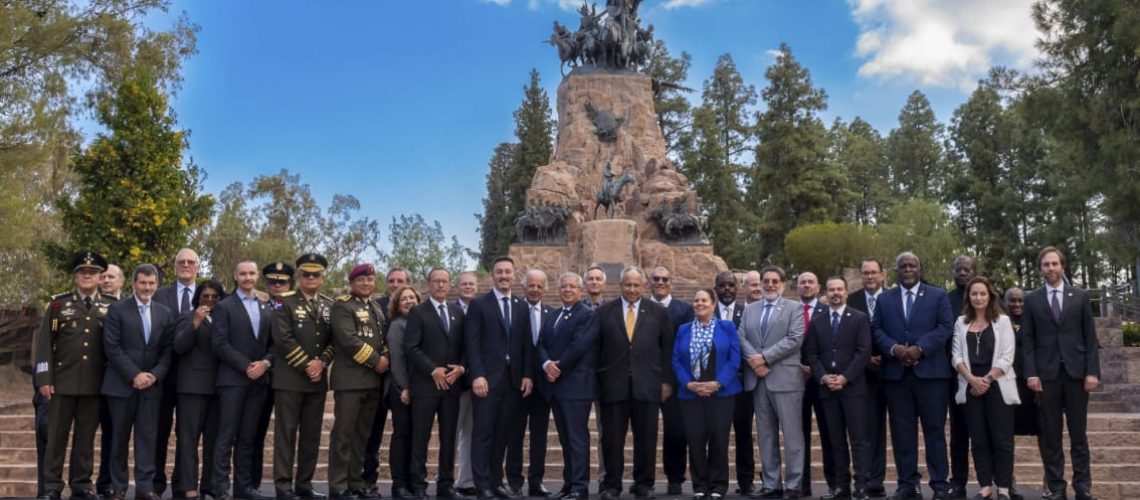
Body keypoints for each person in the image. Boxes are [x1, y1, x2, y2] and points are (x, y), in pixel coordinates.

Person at [871, 252, 954, 500]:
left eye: (912, 265)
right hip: (897, 377)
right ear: (896, 271)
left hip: (931, 376)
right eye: (903, 266)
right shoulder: (885, 298)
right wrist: (894, 348)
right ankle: (908, 483)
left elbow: (945, 327)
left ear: (919, 269)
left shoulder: (938, 295)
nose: (907, 269)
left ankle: (939, 483)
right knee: (902, 433)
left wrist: (921, 348)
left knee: (935, 431)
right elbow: (876, 328)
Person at [33, 251, 113, 500]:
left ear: (100, 276)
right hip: (61, 383)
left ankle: (81, 484)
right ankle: (51, 487)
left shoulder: (111, 306)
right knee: (56, 437)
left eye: (92, 272)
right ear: (75, 276)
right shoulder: (58, 305)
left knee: (85, 439)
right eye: (82, 272)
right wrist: (44, 379)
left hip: (94, 383)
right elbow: (45, 343)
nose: (87, 276)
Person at [1023, 247, 1100, 500]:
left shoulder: (1079, 296)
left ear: (1062, 266)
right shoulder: (1032, 299)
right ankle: (1057, 488)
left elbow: (1090, 337)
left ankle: (1083, 487)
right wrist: (1031, 374)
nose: (1051, 268)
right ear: (1040, 269)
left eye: (1055, 264)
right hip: (1046, 377)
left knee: (1079, 435)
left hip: (1077, 375)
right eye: (1046, 264)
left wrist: (1092, 372)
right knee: (1051, 437)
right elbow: (1028, 341)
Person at [596, 267, 675, 500]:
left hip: (648, 385)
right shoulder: (604, 312)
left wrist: (667, 382)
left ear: (643, 286)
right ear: (620, 286)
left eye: (636, 285)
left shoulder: (659, 313)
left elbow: (667, 349)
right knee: (611, 440)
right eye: (627, 285)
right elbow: (596, 350)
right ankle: (612, 485)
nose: (632, 289)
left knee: (647, 438)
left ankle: (644, 484)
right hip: (612, 386)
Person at [101, 263, 177, 500]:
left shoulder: (164, 313)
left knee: (147, 439)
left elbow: (168, 350)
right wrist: (134, 374)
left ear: (157, 285)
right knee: (118, 439)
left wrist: (154, 375)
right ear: (134, 283)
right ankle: (118, 487)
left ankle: (145, 488)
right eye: (142, 282)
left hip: (151, 388)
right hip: (121, 385)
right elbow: (112, 347)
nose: (147, 287)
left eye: (151, 283)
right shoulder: (117, 309)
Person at [464, 256, 535, 500]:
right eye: (499, 272)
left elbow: (526, 344)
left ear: (514, 275)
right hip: (487, 380)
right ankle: (482, 484)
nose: (504, 276)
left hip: (513, 381)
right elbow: (471, 343)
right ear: (493, 275)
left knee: (502, 434)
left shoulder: (521, 305)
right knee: (483, 433)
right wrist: (477, 375)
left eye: (508, 272)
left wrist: (527, 374)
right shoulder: (479, 304)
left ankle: (496, 482)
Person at [738, 266, 805, 500]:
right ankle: (771, 484)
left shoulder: (794, 308)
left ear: (782, 285)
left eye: (774, 281)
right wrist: (756, 362)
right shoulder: (750, 310)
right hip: (758, 380)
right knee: (765, 435)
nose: (769, 285)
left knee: (792, 435)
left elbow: (795, 339)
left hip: (785, 380)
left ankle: (794, 484)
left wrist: (764, 358)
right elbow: (741, 336)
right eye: (765, 281)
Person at [270, 254, 334, 500]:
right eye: (306, 274)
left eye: (315, 274)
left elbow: (333, 341)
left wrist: (323, 362)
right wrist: (308, 364)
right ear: (298, 276)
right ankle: (283, 486)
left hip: (317, 382)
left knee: (311, 434)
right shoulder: (283, 302)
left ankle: (304, 484)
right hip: (290, 379)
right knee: (286, 434)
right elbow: (282, 338)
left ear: (322, 278)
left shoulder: (329, 305)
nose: (310, 278)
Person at [210, 260, 276, 500]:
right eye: (243, 274)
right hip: (232, 380)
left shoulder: (267, 307)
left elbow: (274, 344)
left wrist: (265, 363)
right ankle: (220, 489)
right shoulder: (224, 306)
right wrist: (245, 366)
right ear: (235, 276)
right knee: (226, 436)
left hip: (259, 381)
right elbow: (219, 343)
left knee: (248, 438)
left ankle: (243, 488)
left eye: (251, 273)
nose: (247, 277)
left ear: (257, 276)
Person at [803, 277, 873, 500]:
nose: (835, 293)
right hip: (827, 390)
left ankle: (861, 485)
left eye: (839, 289)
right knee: (835, 441)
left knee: (859, 440)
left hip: (853, 389)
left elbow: (863, 353)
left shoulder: (860, 319)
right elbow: (811, 354)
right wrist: (823, 377)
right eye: (831, 289)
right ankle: (840, 486)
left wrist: (845, 377)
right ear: (826, 293)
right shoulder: (817, 321)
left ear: (846, 292)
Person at [951, 276, 1020, 500]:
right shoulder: (960, 322)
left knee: (1002, 439)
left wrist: (986, 380)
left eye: (982, 293)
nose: (978, 297)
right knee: (978, 439)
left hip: (998, 386)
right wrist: (972, 379)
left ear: (990, 296)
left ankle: (1003, 487)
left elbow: (1007, 356)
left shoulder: (1003, 321)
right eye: (974, 294)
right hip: (971, 389)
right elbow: (956, 356)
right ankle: (985, 486)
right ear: (968, 297)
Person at [327, 264, 390, 500]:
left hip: (372, 382)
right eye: (361, 280)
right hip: (350, 381)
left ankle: (355, 482)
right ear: (352, 283)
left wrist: (385, 356)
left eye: (370, 279)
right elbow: (348, 340)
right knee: (343, 435)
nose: (366, 283)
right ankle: (338, 486)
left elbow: (383, 337)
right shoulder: (343, 306)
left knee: (361, 436)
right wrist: (376, 360)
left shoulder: (375, 307)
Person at [673, 288, 742, 500]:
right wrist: (689, 384)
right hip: (691, 395)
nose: (699, 304)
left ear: (713, 304)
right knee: (695, 440)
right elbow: (675, 359)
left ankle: (718, 486)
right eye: (696, 300)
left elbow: (734, 358)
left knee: (719, 439)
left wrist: (718, 383)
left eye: (704, 300)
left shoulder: (727, 327)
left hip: (721, 393)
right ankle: (700, 485)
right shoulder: (684, 329)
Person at [406, 268, 467, 499]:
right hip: (425, 386)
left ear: (450, 285)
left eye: (444, 281)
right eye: (436, 281)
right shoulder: (418, 312)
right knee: (420, 437)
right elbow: (411, 347)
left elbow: (465, 346)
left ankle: (446, 484)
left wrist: (461, 367)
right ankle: (419, 485)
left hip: (451, 386)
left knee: (449, 437)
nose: (441, 285)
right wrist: (432, 369)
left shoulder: (457, 312)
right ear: (428, 284)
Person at [538, 272, 599, 500]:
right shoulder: (553, 315)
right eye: (564, 286)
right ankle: (568, 483)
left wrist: (558, 367)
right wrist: (545, 364)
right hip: (556, 388)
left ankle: (579, 487)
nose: (568, 290)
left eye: (572, 287)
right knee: (565, 439)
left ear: (581, 291)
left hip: (576, 387)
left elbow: (580, 346)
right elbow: (541, 343)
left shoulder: (587, 315)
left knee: (576, 439)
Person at [153, 248, 201, 497]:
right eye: (181, 262)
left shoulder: (208, 297)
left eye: (190, 262)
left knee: (187, 434)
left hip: (194, 377)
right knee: (158, 431)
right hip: (162, 376)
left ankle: (183, 484)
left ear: (198, 267)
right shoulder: (159, 295)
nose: (185, 265)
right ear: (174, 268)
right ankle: (155, 484)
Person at [173, 279, 226, 500]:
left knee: (213, 440)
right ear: (198, 297)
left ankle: (209, 485)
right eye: (206, 296)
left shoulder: (224, 318)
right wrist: (195, 322)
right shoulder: (187, 316)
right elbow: (179, 346)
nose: (211, 300)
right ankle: (188, 486)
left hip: (219, 387)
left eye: (215, 296)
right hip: (192, 387)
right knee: (188, 440)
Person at [363, 266, 412, 495]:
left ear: (408, 283)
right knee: (372, 434)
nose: (395, 284)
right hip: (376, 379)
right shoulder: (376, 307)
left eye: (400, 280)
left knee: (405, 432)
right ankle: (369, 480)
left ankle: (405, 480)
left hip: (404, 382)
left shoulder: (415, 309)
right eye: (391, 280)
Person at [845, 259, 888, 499]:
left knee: (898, 431)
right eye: (865, 273)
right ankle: (872, 479)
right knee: (869, 429)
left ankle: (905, 482)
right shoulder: (852, 300)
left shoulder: (892, 298)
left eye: (874, 272)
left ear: (882, 275)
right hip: (862, 376)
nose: (870, 276)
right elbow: (845, 336)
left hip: (893, 371)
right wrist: (865, 359)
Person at [508, 269, 553, 497]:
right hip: (517, 384)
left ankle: (536, 482)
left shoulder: (552, 313)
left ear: (545, 288)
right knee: (515, 434)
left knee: (539, 436)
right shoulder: (514, 310)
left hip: (543, 385)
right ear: (524, 287)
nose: (535, 289)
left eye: (539, 286)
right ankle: (514, 482)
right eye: (531, 285)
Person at [650, 266, 694, 496]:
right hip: (644, 379)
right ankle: (644, 479)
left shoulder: (684, 309)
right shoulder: (641, 308)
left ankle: (675, 478)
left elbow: (683, 347)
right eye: (656, 278)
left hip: (675, 382)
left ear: (671, 283)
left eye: (664, 279)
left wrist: (668, 380)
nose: (660, 282)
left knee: (676, 431)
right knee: (644, 431)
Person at [714, 271, 753, 496]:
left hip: (741, 384)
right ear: (716, 289)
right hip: (717, 385)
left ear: (737, 288)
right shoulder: (709, 312)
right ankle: (719, 482)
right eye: (722, 286)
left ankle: (746, 481)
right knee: (718, 435)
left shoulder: (746, 312)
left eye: (731, 285)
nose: (727, 289)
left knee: (744, 434)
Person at [796, 272, 833, 498]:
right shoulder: (790, 311)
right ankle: (802, 483)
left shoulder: (828, 312)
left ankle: (833, 483)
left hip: (822, 380)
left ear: (818, 287)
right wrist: (797, 366)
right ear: (797, 287)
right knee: (799, 436)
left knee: (829, 433)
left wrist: (818, 369)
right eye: (803, 282)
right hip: (796, 379)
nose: (807, 285)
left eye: (811, 282)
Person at [945, 255, 977, 499]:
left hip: (986, 378)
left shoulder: (985, 298)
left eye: (967, 269)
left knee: (986, 434)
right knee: (958, 434)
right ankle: (958, 482)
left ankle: (991, 481)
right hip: (955, 377)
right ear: (953, 272)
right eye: (959, 270)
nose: (963, 273)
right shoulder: (946, 300)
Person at [386, 285, 420, 499]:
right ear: (397, 305)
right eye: (404, 299)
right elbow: (397, 361)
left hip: (419, 390)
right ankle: (399, 485)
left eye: (412, 297)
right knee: (402, 435)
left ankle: (411, 481)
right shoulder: (397, 326)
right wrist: (405, 387)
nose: (409, 301)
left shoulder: (420, 323)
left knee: (415, 437)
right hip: (402, 390)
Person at [95, 262, 127, 497]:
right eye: (103, 276)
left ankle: (106, 481)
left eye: (111, 277)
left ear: (122, 281)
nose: (106, 280)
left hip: (118, 381)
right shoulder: (88, 305)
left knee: (112, 434)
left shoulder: (129, 306)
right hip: (90, 379)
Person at [1004, 287, 1036, 500]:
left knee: (1044, 433)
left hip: (1033, 385)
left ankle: (1050, 482)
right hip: (1007, 384)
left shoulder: (1036, 322)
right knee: (1006, 436)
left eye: (1021, 301)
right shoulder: (999, 323)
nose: (1017, 304)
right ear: (1004, 302)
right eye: (1012, 301)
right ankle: (1009, 482)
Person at [454, 271, 480, 497]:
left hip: (479, 382)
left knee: (471, 433)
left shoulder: (482, 309)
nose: (468, 287)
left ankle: (466, 480)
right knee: (452, 432)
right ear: (457, 287)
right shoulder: (451, 310)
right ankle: (444, 478)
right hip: (455, 381)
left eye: (472, 284)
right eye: (465, 284)